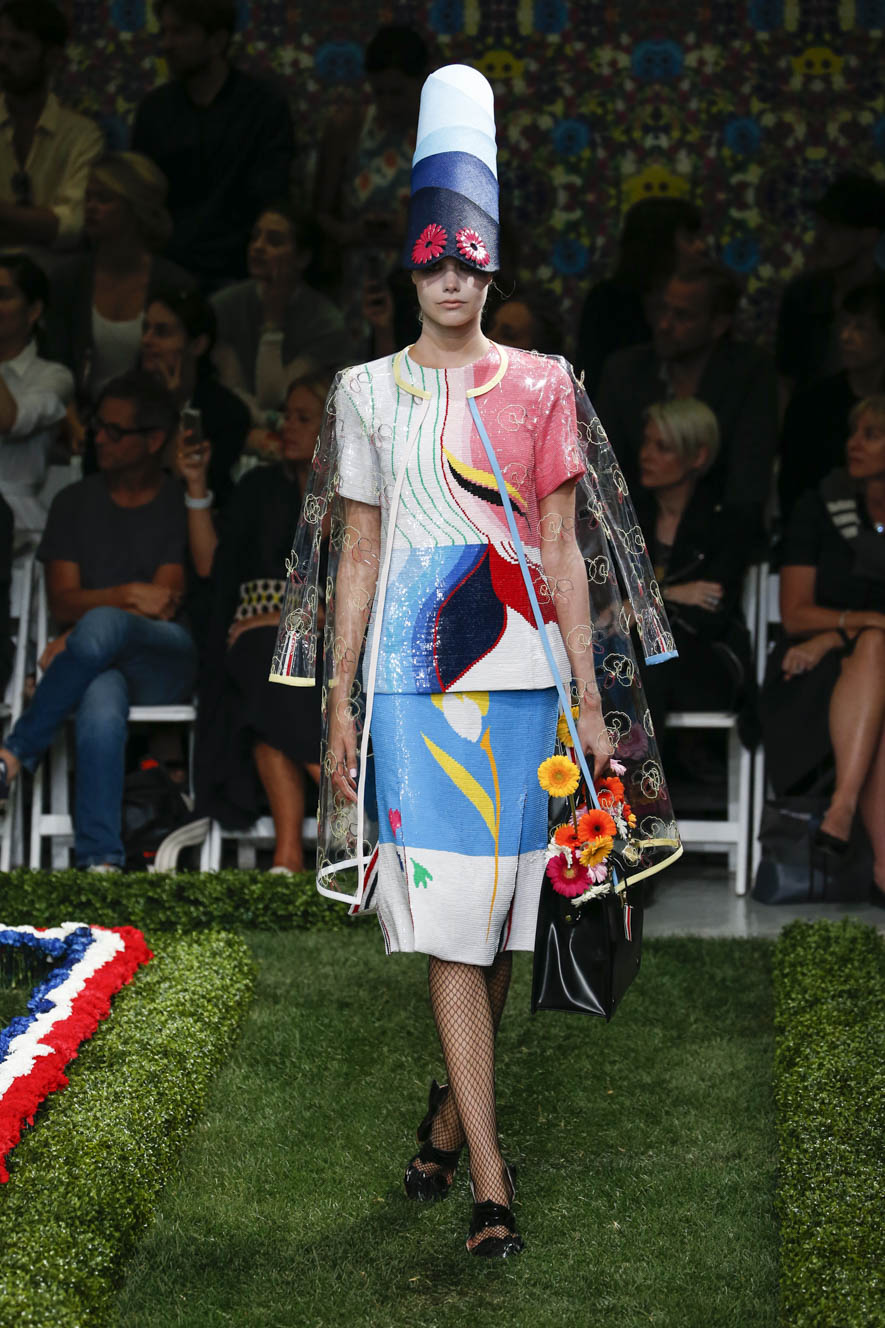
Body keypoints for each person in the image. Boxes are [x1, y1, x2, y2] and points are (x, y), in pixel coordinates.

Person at [272, 65, 680, 1259]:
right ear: (409, 266)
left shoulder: (545, 385)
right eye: (433, 258)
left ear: (493, 265)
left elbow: (562, 549)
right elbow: (357, 550)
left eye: (470, 257)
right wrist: (340, 700)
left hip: (528, 685)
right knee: (457, 925)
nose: (452, 276)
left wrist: (591, 701)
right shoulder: (365, 392)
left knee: (501, 920)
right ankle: (492, 1182)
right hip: (412, 687)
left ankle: (452, 1115)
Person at [0, 370, 197, 869]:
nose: (99, 439)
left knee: (102, 628)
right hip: (95, 666)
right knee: (100, 694)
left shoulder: (175, 502)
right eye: (98, 427)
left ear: (154, 440)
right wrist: (126, 595)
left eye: (115, 430)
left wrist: (83, 631)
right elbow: (63, 602)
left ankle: (15, 753)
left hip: (164, 660)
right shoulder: (73, 503)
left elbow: (164, 602)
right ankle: (101, 862)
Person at [191, 373, 328, 868]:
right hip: (252, 642)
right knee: (259, 666)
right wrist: (196, 488)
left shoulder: (352, 497)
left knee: (265, 677)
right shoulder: (257, 487)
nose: (287, 426)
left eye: (302, 418)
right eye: (285, 416)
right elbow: (211, 568)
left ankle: (292, 848)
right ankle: (332, 789)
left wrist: (283, 618)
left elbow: (365, 590)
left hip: (329, 640)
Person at [759, 394, 885, 903]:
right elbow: (795, 614)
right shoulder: (819, 506)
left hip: (846, 658)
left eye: (872, 434)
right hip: (810, 676)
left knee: (876, 652)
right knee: (876, 650)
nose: (854, 443)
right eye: (854, 432)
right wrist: (865, 626)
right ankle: (880, 866)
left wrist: (840, 633)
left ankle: (843, 808)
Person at [595, 257, 777, 541]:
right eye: (662, 310)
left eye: (683, 316)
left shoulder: (748, 373)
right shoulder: (626, 372)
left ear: (718, 325)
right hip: (633, 534)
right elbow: (604, 472)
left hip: (721, 535)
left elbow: (748, 481)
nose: (664, 324)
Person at [131, 0, 295, 290]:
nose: (167, 44)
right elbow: (141, 198)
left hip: (240, 272)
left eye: (180, 32)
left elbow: (270, 198)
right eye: (164, 33)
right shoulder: (155, 111)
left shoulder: (263, 108)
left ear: (217, 41)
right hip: (168, 269)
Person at [633, 398, 754, 727]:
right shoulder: (630, 516)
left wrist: (639, 605)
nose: (646, 455)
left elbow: (708, 614)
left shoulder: (726, 523)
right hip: (638, 655)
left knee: (648, 664)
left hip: (706, 660)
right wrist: (672, 594)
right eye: (646, 442)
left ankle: (638, 763)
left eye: (662, 447)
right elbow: (605, 606)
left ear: (697, 456)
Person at [43, 152, 194, 403]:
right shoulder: (67, 279)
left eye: (103, 199)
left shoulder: (175, 285)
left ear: (136, 208)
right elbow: (54, 367)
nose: (91, 207)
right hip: (73, 416)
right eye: (88, 198)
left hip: (149, 415)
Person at [313, 24, 428, 351]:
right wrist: (350, 233)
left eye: (398, 92)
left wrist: (411, 232)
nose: (389, 104)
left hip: (421, 284)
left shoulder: (440, 137)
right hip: (358, 281)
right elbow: (319, 214)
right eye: (380, 93)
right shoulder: (348, 129)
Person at [211, 205, 352, 433]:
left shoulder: (325, 322)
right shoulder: (223, 306)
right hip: (233, 428)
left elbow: (274, 399)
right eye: (255, 237)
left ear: (302, 257)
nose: (258, 247)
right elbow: (231, 393)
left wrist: (272, 322)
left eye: (274, 241)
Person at [778, 279, 885, 525]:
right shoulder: (812, 405)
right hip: (821, 529)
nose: (846, 336)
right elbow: (794, 487)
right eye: (844, 324)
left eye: (861, 328)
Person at [0, 0, 103, 256]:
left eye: (17, 47)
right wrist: (42, 224)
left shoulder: (82, 136)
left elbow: (74, 226)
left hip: (54, 273)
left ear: (52, 58)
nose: (2, 57)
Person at [575, 197, 705, 396]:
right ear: (660, 244)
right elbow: (590, 381)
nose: (700, 247)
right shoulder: (608, 302)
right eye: (689, 239)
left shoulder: (704, 298)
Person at [776, 172, 885, 402]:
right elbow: (786, 380)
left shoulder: (881, 296)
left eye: (835, 229)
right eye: (820, 226)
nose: (820, 238)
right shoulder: (803, 295)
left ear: (868, 237)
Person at [137, 286, 248, 508]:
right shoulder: (121, 399)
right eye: (145, 329)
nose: (146, 340)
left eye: (162, 332)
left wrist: (175, 409)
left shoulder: (228, 412)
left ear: (198, 345)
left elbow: (206, 485)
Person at [0, 251, 73, 539]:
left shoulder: (54, 376)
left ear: (33, 311)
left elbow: (10, 421)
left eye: (3, 296)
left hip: (19, 523)